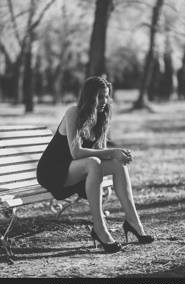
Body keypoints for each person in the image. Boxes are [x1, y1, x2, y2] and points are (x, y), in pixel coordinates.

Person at [37, 76, 154, 253]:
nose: (103, 101)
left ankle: (133, 222)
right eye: (99, 96)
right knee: (93, 163)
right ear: (88, 96)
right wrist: (111, 152)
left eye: (106, 96)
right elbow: (75, 152)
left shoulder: (101, 116)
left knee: (117, 164)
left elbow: (100, 151)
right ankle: (99, 229)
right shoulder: (73, 112)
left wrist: (117, 154)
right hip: (53, 172)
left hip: (76, 172)